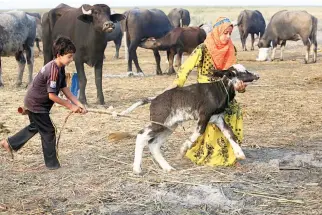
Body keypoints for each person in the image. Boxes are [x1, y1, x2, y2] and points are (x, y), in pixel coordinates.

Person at [165, 17, 247, 166]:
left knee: (234, 111)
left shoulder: (231, 50)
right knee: (210, 115)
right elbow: (186, 68)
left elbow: (235, 74)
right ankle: (210, 154)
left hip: (224, 92)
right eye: (225, 33)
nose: (228, 37)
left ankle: (229, 156)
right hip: (205, 93)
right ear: (216, 32)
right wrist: (176, 85)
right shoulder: (203, 48)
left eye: (230, 33)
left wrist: (240, 88)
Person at [0, 36, 87, 170]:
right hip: (36, 105)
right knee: (49, 131)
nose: (72, 59)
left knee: (37, 126)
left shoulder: (60, 67)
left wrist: (78, 103)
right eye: (69, 56)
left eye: (72, 56)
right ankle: (52, 165)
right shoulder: (53, 70)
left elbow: (64, 89)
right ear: (59, 55)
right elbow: (52, 95)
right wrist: (70, 106)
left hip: (35, 103)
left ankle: (9, 143)